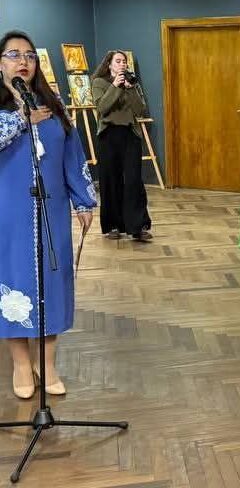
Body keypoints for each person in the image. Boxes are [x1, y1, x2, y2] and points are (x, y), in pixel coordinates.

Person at [0, 30, 96, 398]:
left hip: (51, 211)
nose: (22, 61)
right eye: (13, 54)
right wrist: (22, 120)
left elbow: (73, 153)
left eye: (29, 55)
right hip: (8, 215)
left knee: (52, 282)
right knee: (14, 283)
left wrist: (83, 200)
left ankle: (48, 363)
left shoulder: (52, 104)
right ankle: (21, 364)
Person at [92, 51, 152, 242]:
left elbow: (140, 110)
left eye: (124, 61)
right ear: (109, 64)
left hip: (129, 135)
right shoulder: (99, 82)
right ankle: (113, 225)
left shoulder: (132, 82)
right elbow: (102, 108)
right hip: (109, 136)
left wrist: (130, 89)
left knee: (134, 180)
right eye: (118, 61)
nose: (122, 64)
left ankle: (137, 226)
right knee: (111, 180)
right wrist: (116, 86)